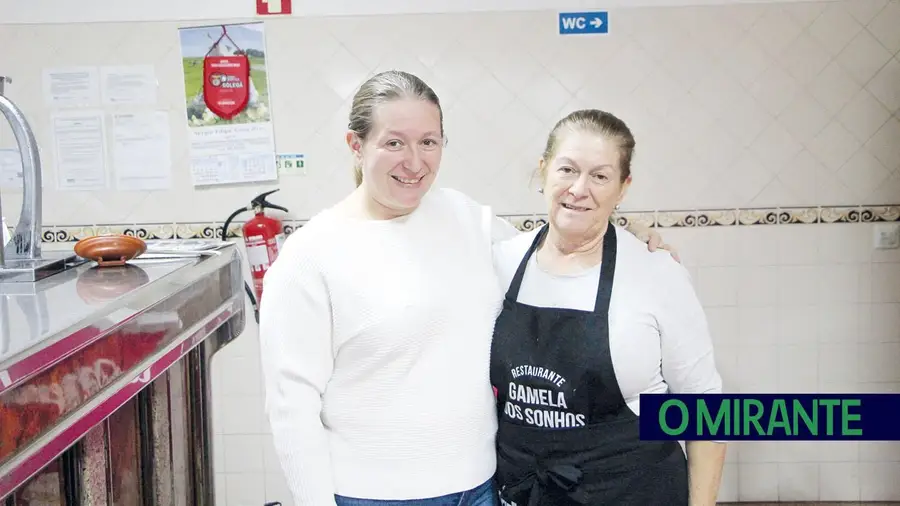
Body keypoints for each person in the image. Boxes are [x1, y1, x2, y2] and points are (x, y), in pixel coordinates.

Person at [257, 71, 676, 506]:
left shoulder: (465, 218)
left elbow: (553, 252)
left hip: (482, 487)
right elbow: (292, 407)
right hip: (374, 496)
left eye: (429, 142)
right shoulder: (310, 256)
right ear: (356, 145)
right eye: (394, 142)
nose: (415, 162)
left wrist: (630, 238)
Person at [490, 109, 726, 506]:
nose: (579, 189)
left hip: (633, 492)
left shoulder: (656, 273)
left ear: (623, 187)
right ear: (544, 171)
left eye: (600, 176)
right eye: (567, 169)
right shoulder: (500, 263)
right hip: (524, 493)